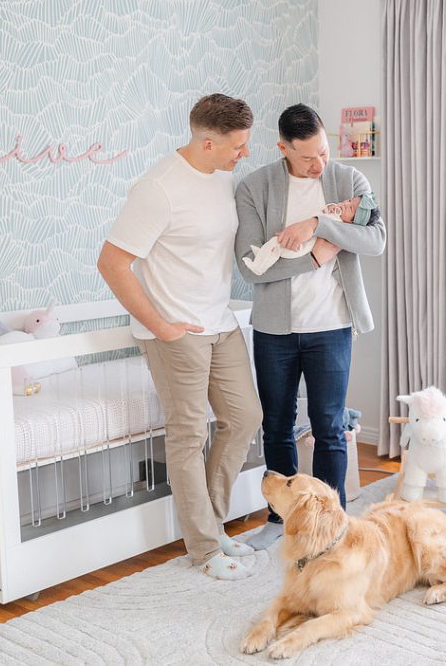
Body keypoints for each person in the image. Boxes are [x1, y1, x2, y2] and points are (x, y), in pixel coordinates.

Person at [97, 93, 263, 580]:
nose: (244, 154)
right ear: (207, 142)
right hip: (176, 330)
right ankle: (206, 548)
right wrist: (161, 324)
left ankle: (212, 524)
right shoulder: (157, 188)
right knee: (188, 434)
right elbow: (112, 263)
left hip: (219, 321)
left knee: (244, 416)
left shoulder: (223, 177)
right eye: (238, 145)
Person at [235, 103, 386, 550]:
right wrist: (318, 254)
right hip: (274, 330)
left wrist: (318, 223)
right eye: (306, 157)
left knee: (330, 426)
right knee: (278, 426)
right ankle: (281, 522)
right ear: (283, 148)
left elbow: (375, 239)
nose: (318, 164)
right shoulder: (254, 187)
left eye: (322, 151)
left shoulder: (348, 181)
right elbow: (252, 269)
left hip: (333, 325)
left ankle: (332, 523)